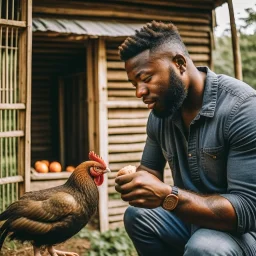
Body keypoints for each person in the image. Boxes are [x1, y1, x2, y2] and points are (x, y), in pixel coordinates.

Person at [114, 21, 256, 256]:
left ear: (179, 64)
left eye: (146, 78)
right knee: (138, 216)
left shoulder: (242, 108)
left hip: (244, 233)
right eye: (134, 84)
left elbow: (248, 210)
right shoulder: (161, 114)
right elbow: (150, 170)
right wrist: (138, 183)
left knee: (205, 246)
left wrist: (168, 196)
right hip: (191, 220)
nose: (139, 92)